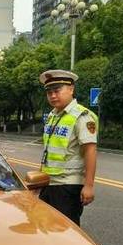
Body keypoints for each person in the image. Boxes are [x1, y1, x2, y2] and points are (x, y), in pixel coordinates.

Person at [38, 70, 98, 226]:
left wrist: (89, 186)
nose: (52, 95)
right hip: (48, 183)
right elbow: (48, 151)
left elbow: (90, 151)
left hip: (68, 185)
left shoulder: (82, 116)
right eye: (49, 92)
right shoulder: (52, 116)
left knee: (66, 232)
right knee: (45, 228)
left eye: (57, 91)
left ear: (71, 89)